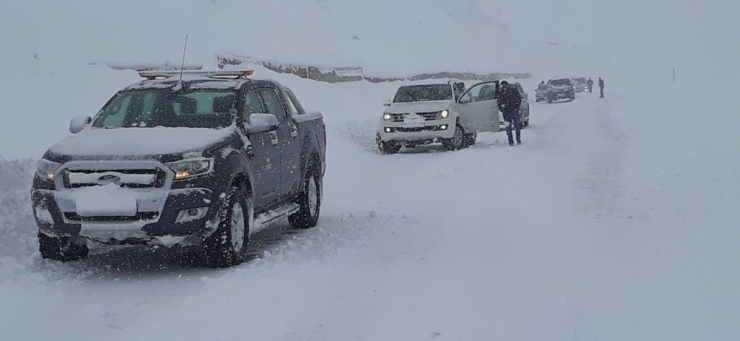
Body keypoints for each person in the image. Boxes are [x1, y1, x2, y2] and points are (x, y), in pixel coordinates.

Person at [497, 80, 523, 146]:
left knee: (517, 126)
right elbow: (499, 102)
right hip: (506, 112)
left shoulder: (513, 91)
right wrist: (502, 108)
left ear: (507, 85)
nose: (504, 86)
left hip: (514, 110)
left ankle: (518, 139)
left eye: (505, 85)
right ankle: (510, 141)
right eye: (502, 85)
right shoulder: (501, 92)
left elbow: (518, 99)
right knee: (508, 127)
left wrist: (516, 107)